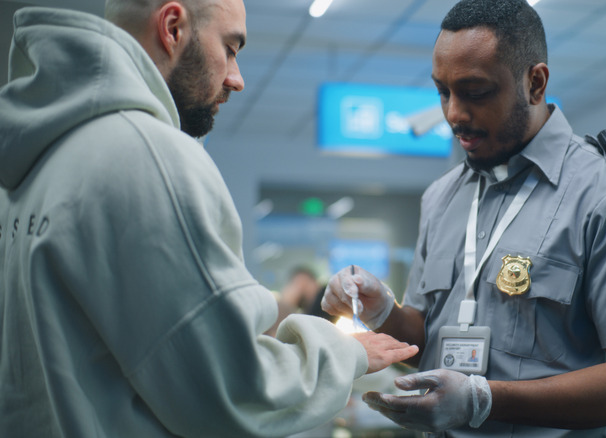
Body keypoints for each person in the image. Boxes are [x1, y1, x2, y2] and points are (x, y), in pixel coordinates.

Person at [0, 1, 418, 437]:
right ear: (173, 27)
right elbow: (234, 390)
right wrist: (345, 353)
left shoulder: (34, 162)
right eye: (230, 48)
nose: (236, 79)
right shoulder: (150, 155)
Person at [322, 0, 606, 436]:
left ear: (536, 83)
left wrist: (484, 400)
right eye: (443, 91)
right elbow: (425, 340)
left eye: (475, 92)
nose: (453, 113)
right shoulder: (441, 197)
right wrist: (383, 313)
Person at [265, 266, 327, 336]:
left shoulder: (325, 298)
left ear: (302, 279)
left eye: (295, 283)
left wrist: (286, 302)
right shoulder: (308, 314)